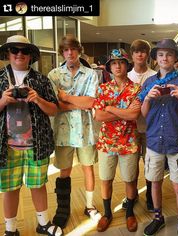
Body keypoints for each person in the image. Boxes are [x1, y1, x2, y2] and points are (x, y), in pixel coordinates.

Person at [0, 35, 63, 236]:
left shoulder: (41, 80)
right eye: (15, 50)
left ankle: (43, 223)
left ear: (30, 56)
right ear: (8, 53)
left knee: (38, 184)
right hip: (6, 145)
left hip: (37, 143)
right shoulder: (0, 79)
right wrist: (3, 101)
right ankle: (10, 229)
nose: (19, 54)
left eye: (24, 51)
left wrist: (38, 100)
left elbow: (54, 110)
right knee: (10, 188)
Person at [139, 39, 178, 236]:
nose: (165, 58)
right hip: (154, 139)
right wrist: (147, 98)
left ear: (175, 58)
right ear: (155, 58)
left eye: (169, 54)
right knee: (155, 182)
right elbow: (144, 114)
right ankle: (158, 217)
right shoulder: (148, 82)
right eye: (161, 54)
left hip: (177, 141)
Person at [48, 35, 100, 229]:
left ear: (79, 50)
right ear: (62, 52)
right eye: (66, 50)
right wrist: (76, 102)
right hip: (63, 131)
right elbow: (55, 105)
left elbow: (90, 102)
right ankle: (63, 209)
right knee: (64, 170)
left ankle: (89, 205)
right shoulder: (54, 75)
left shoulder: (90, 74)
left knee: (88, 167)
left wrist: (66, 97)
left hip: (86, 130)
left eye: (73, 49)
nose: (70, 53)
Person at [93, 48, 141, 232]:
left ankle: (129, 213)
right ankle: (107, 213)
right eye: (114, 63)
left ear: (127, 65)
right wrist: (123, 113)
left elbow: (134, 114)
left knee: (130, 179)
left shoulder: (136, 88)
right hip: (106, 143)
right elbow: (98, 116)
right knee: (106, 179)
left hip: (129, 142)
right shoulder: (103, 88)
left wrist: (111, 109)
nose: (118, 66)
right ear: (109, 67)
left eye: (121, 62)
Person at [121, 39, 156, 212]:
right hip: (130, 128)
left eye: (143, 51)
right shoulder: (125, 76)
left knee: (149, 163)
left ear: (147, 54)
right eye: (136, 51)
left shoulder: (155, 75)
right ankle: (132, 195)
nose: (140, 54)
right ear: (132, 55)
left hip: (150, 128)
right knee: (131, 164)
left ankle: (150, 195)